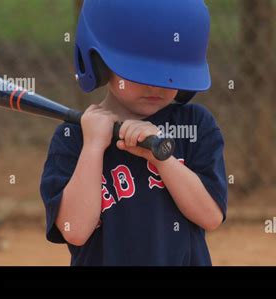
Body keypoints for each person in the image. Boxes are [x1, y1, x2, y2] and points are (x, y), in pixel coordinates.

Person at [40, 0, 227, 266]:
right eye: (140, 71)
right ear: (100, 61)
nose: (156, 85)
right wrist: (93, 147)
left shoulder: (195, 127)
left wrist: (162, 158)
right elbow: (75, 230)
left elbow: (210, 216)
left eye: (169, 74)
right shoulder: (74, 138)